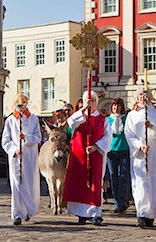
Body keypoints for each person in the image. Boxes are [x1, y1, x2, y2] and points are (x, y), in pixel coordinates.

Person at [63, 90, 112, 226]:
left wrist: (96, 147)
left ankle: (95, 213)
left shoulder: (103, 119)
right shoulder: (79, 116)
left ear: (96, 102)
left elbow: (108, 137)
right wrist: (83, 110)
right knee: (79, 183)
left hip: (96, 154)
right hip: (79, 154)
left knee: (94, 183)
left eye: (92, 101)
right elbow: (71, 123)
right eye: (87, 101)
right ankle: (81, 213)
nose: (90, 103)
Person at [124, 89, 156, 229]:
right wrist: (139, 145)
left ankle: (151, 214)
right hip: (140, 154)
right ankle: (142, 213)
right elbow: (129, 134)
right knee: (141, 182)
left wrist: (152, 127)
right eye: (140, 94)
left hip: (155, 152)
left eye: (145, 94)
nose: (142, 96)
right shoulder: (132, 115)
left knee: (153, 181)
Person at [2, 94, 41, 225]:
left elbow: (38, 137)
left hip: (29, 157)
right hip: (16, 158)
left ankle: (28, 210)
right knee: (17, 184)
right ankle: (18, 213)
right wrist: (14, 149)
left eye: (23, 104)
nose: (21, 107)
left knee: (28, 184)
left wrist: (26, 137)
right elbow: (5, 140)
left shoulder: (33, 119)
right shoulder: (10, 120)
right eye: (18, 105)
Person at [107, 98, 130, 213]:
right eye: (114, 106)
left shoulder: (126, 119)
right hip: (111, 151)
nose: (116, 108)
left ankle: (123, 201)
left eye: (118, 106)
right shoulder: (108, 120)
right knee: (113, 176)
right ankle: (116, 200)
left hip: (124, 150)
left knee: (123, 176)